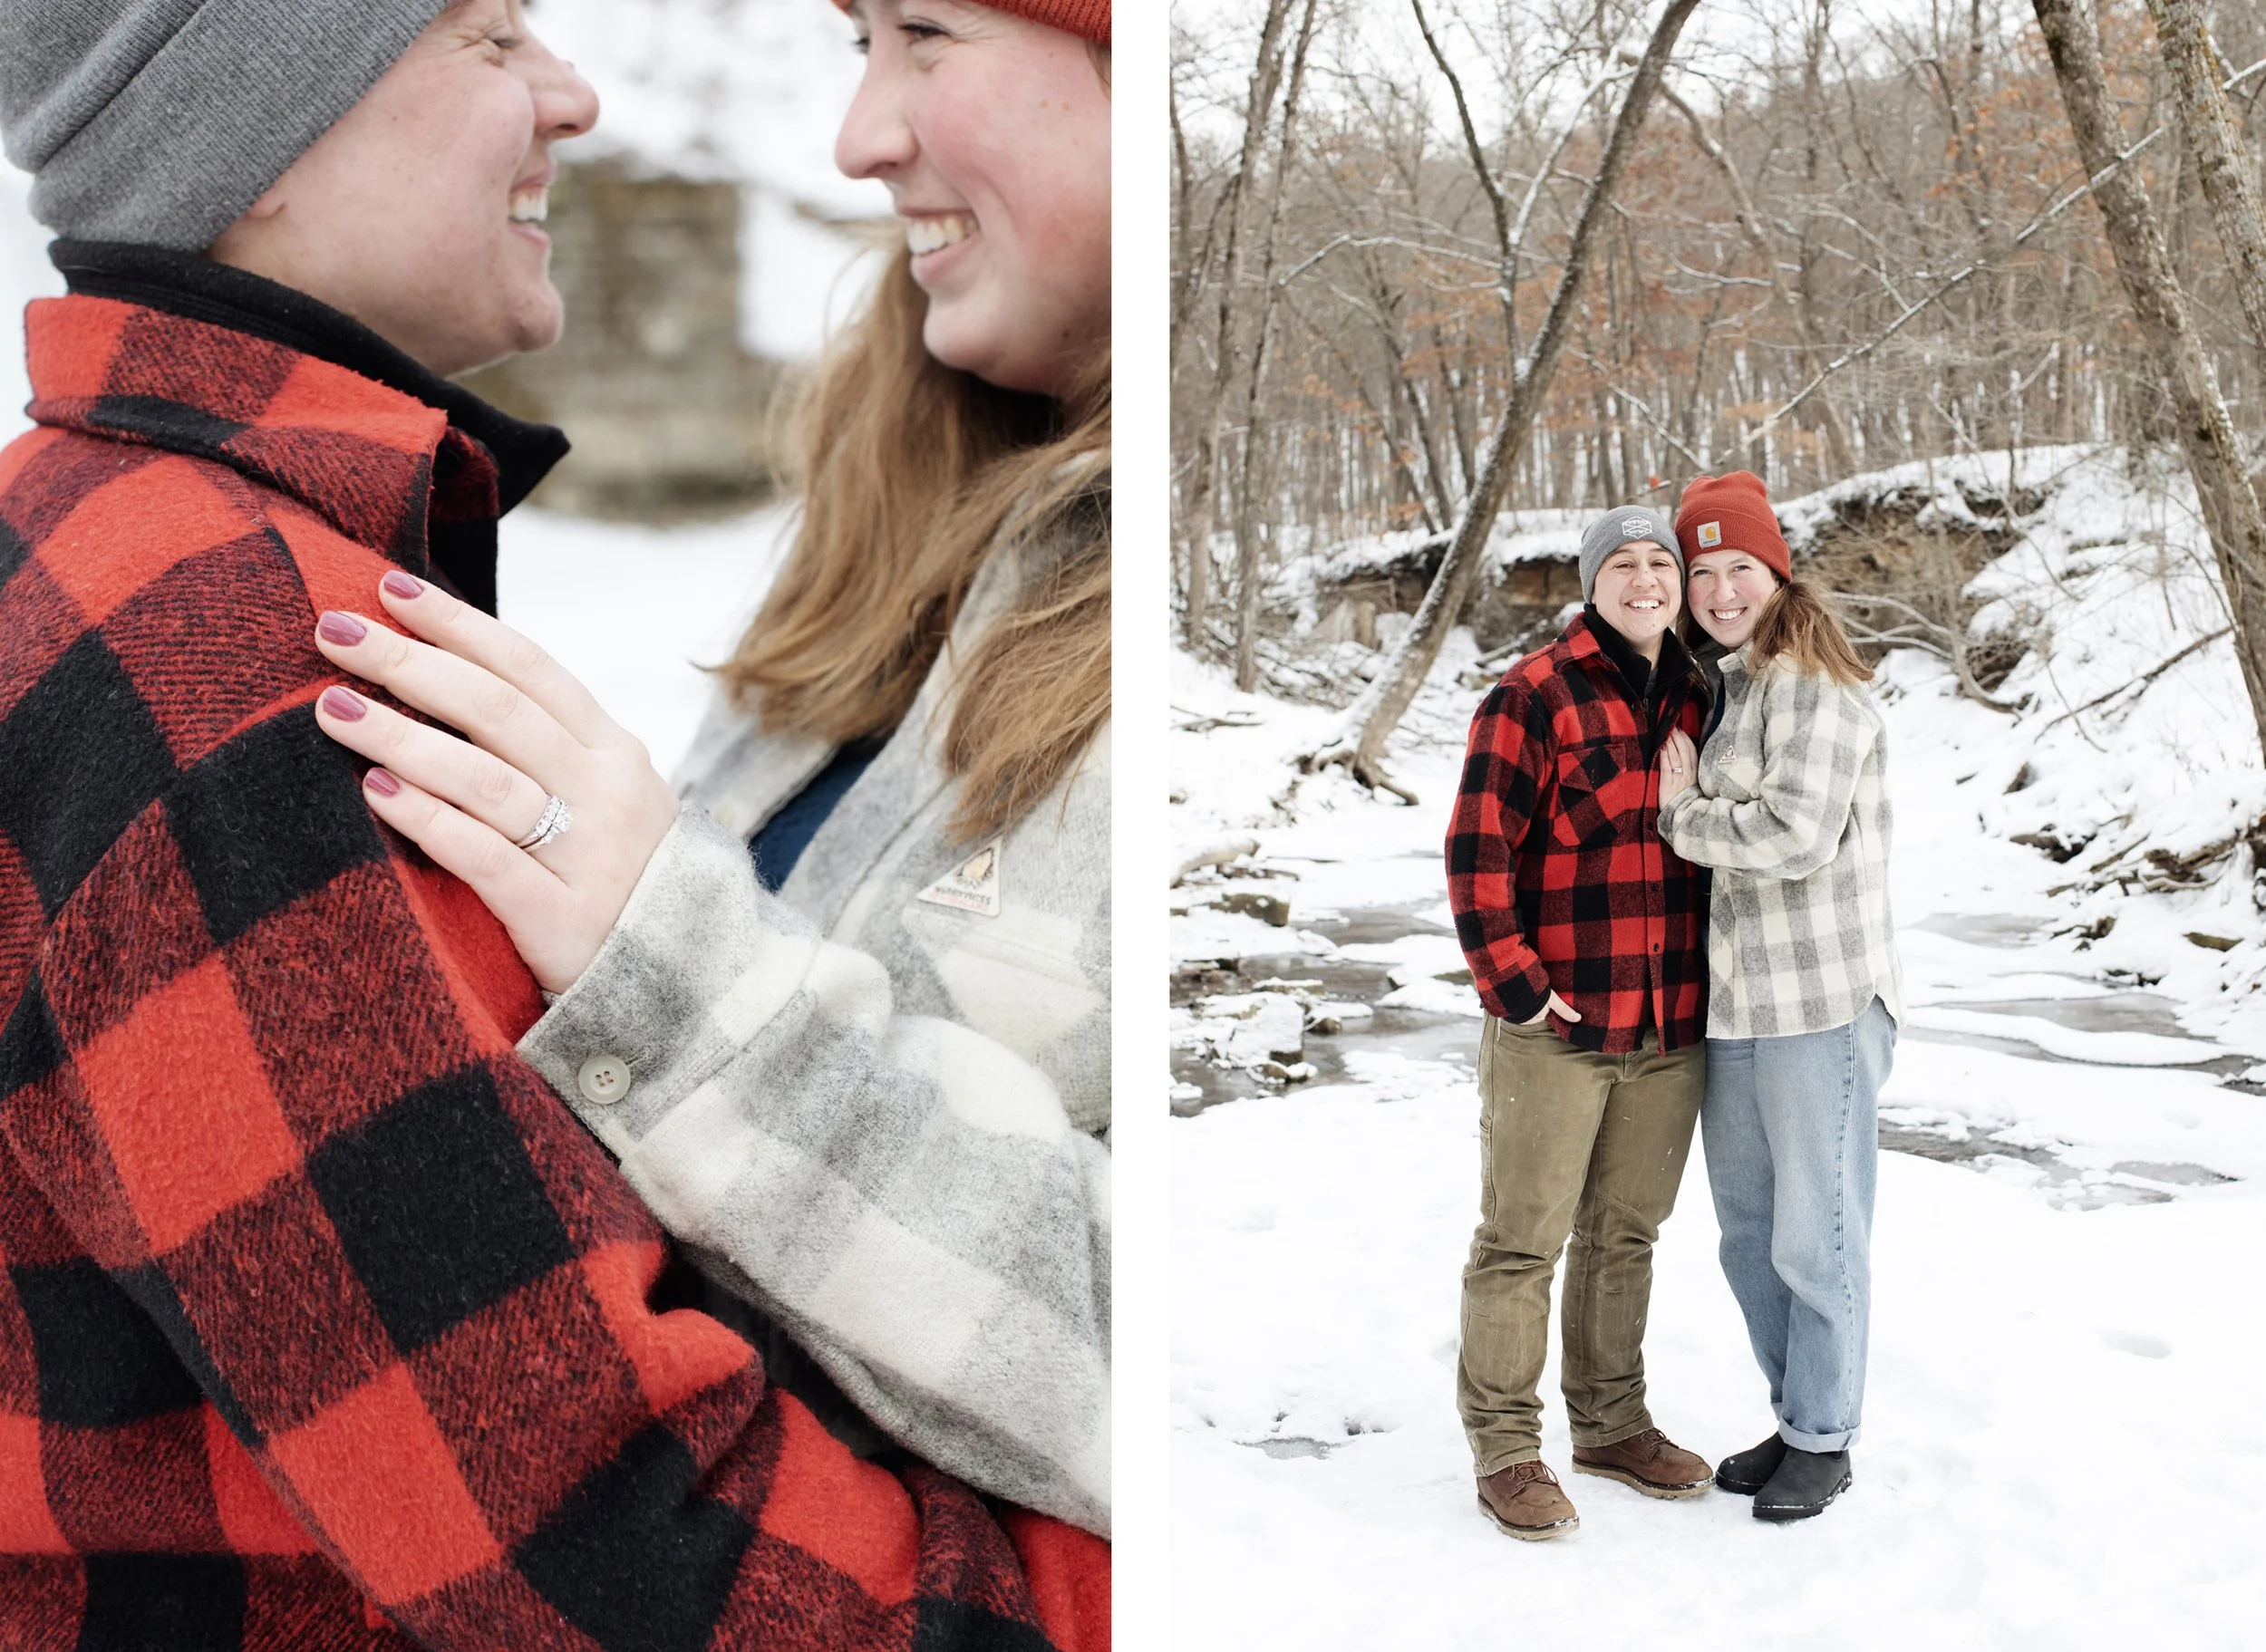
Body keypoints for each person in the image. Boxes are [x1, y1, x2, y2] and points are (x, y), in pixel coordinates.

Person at [0, 2, 1102, 1647]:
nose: (575, 95)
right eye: (491, 37)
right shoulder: (243, 663)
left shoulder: (110, 542)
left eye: (925, 36)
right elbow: (610, 1548)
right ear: (261, 135)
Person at [305, 0, 1113, 1536]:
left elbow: (1166, 1363)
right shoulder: (893, 503)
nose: (859, 137)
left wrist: (672, 968)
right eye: (859, 48)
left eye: (928, 35)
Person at [1444, 505, 1716, 1541]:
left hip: (1670, 1021)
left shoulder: (1700, 692)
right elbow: (1475, 854)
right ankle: (1507, 1447)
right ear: (1591, 582)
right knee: (1522, 1238)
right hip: (1557, 1025)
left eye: (1660, 563)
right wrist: (1515, 984)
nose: (1645, 579)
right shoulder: (1530, 695)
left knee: (1625, 1233)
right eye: (1623, 564)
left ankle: (1610, 1422)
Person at [1657, 469, 1902, 1523]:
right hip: (1738, 1005)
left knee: (1817, 1231)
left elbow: (1793, 834)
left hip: (1823, 1001)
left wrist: (1680, 810)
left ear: (1777, 571)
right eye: (1701, 571)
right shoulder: (1732, 685)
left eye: (1739, 568)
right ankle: (1797, 1410)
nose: (1720, 591)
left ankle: (1824, 1436)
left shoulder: (1812, 681)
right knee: (1748, 1233)